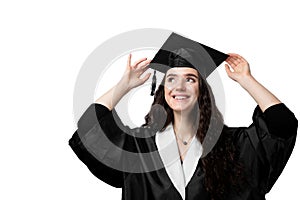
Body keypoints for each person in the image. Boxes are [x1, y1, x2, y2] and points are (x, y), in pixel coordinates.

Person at [69, 33, 297, 200]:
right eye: (171, 79)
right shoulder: (140, 147)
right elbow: (90, 130)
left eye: (190, 79)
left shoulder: (232, 145)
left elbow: (282, 124)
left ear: (201, 91)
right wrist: (123, 85)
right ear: (163, 90)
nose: (179, 86)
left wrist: (247, 80)